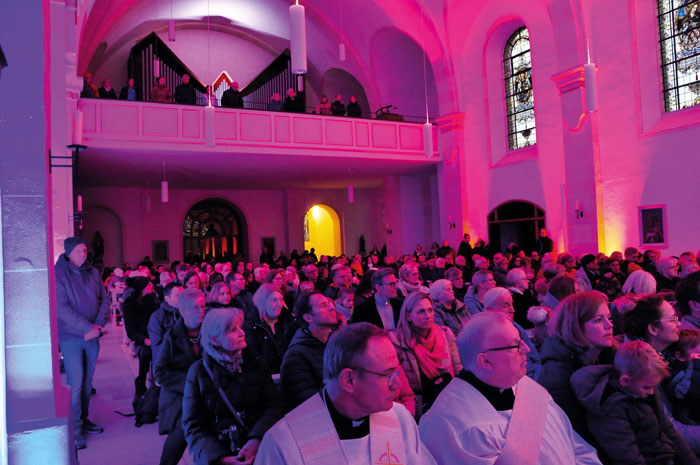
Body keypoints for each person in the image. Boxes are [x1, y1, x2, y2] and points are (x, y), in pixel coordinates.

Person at [419, 311, 602, 465]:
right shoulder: (451, 425)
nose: (527, 350)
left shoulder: (530, 390)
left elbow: (575, 449)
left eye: (522, 341)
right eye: (515, 346)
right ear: (485, 360)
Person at [255, 323, 437, 464]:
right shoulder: (284, 442)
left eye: (397, 372)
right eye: (387, 375)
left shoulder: (399, 418)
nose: (397, 384)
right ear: (349, 380)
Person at [572, 341, 699, 465]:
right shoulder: (610, 409)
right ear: (625, 381)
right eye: (646, 388)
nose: (651, 393)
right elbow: (628, 457)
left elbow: (669, 430)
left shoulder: (645, 390)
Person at [182, 307, 283, 465]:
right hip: (220, 450)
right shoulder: (198, 372)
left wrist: (256, 439)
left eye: (240, 328)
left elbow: (274, 406)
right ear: (214, 340)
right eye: (232, 330)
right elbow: (193, 425)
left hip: (259, 448)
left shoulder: (256, 362)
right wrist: (219, 458)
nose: (242, 333)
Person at [536, 291, 615, 458]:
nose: (610, 325)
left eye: (609, 318)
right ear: (575, 327)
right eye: (598, 320)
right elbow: (581, 439)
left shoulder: (609, 357)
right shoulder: (558, 376)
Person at [55, 237, 108, 449]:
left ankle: (84, 419)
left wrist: (96, 326)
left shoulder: (94, 273)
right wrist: (87, 328)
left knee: (87, 383)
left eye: (85, 250)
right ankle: (75, 427)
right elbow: (62, 307)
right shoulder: (60, 273)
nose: (84, 253)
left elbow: (104, 300)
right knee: (76, 383)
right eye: (79, 250)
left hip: (92, 336)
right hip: (72, 337)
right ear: (69, 253)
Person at [390, 291, 462, 419]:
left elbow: (458, 371)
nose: (428, 316)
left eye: (430, 310)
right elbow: (400, 389)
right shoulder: (398, 343)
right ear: (408, 316)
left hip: (449, 402)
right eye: (421, 312)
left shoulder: (445, 335)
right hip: (420, 409)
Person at [154, 288, 205, 465]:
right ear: (182, 311)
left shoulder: (210, 331)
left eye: (203, 306)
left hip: (209, 390)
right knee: (183, 427)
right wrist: (190, 385)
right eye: (194, 308)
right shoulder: (172, 336)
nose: (200, 312)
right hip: (180, 394)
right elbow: (160, 372)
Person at [280, 291, 343, 409]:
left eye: (329, 303)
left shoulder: (335, 344)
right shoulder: (296, 356)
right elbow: (310, 404)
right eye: (324, 305)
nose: (332, 307)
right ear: (309, 317)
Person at [243, 283, 296, 374]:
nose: (279, 304)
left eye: (281, 300)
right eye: (274, 300)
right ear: (262, 302)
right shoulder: (251, 327)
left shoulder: (289, 322)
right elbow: (253, 359)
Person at [123, 276, 161, 399]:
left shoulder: (153, 301)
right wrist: (144, 340)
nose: (152, 286)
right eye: (148, 285)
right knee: (146, 353)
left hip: (155, 336)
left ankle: (159, 385)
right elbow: (131, 331)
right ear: (141, 289)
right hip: (142, 339)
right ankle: (141, 387)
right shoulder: (130, 304)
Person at [148, 282, 184, 365]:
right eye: (177, 295)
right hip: (168, 362)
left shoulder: (188, 313)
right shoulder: (157, 317)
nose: (182, 298)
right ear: (167, 299)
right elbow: (158, 346)